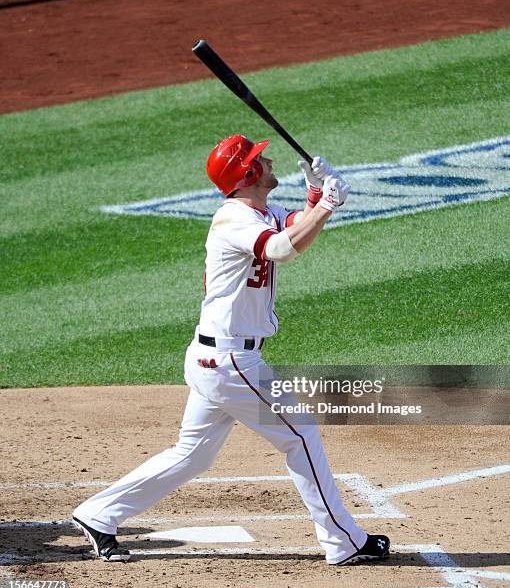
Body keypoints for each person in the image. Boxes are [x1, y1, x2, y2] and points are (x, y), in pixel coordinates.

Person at [72, 134, 390, 565]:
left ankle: (97, 514)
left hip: (218, 358)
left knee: (193, 454)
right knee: (301, 436)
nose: (269, 160)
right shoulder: (234, 218)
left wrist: (317, 193)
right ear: (248, 174)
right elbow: (281, 249)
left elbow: (295, 224)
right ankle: (344, 542)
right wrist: (328, 205)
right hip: (231, 362)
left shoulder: (259, 211)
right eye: (259, 159)